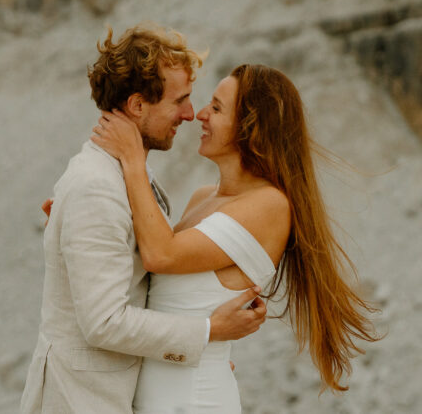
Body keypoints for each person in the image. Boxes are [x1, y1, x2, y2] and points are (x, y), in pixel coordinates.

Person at [91, 63, 380, 412]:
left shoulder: (269, 205)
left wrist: (132, 159)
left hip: (194, 400)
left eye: (216, 108)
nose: (200, 114)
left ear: (251, 127)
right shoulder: (203, 198)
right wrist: (90, 220)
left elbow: (160, 256)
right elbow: (146, 269)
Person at [20, 26, 268, 414]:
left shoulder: (125, 178)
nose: (190, 114)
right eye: (180, 100)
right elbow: (103, 322)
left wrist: (197, 363)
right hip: (82, 401)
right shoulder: (96, 187)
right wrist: (207, 333)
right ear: (138, 106)